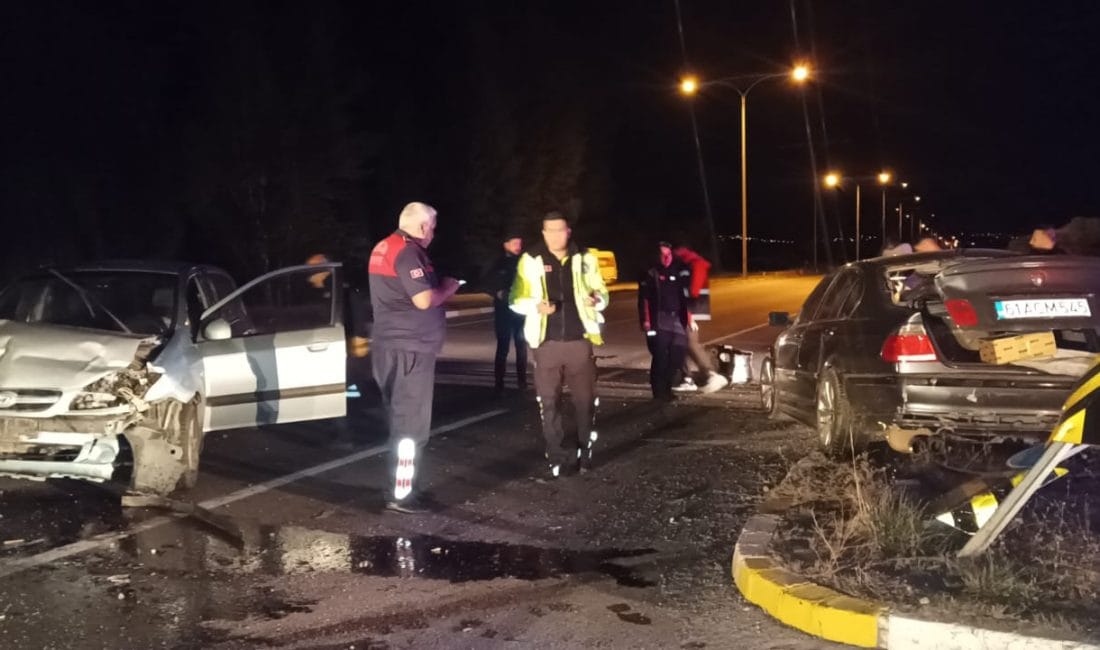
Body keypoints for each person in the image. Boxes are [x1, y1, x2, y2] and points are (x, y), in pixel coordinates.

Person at [368, 201, 461, 514]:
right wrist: (448, 287)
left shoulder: (384, 246)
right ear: (423, 226)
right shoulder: (409, 251)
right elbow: (424, 300)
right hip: (410, 350)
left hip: (389, 347)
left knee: (399, 420)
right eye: (432, 227)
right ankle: (402, 495)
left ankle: (400, 487)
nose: (433, 234)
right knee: (411, 427)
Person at [510, 212, 609, 478]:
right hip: (546, 344)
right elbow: (515, 298)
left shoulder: (585, 257)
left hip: (579, 342)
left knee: (585, 401)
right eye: (549, 231)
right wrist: (535, 306)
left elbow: (602, 291)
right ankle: (556, 454)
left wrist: (596, 299)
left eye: (560, 230)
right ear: (543, 233)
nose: (555, 236)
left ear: (568, 231)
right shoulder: (530, 260)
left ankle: (584, 449)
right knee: (549, 402)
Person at [671, 245, 728, 394]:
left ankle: (709, 374)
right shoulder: (691, 264)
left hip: (692, 310)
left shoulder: (695, 265)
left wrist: (688, 313)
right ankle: (692, 377)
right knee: (683, 343)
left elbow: (693, 291)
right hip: (691, 310)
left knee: (689, 342)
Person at [639, 242, 692, 401]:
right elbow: (644, 299)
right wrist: (646, 321)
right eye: (663, 255)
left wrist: (689, 318)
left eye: (668, 255)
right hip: (659, 320)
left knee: (677, 356)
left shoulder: (676, 272)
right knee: (660, 357)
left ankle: (668, 387)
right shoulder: (651, 273)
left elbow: (684, 297)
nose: (666, 258)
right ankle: (659, 392)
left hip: (676, 319)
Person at [485, 233, 527, 393]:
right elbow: (486, 282)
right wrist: (497, 292)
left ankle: (522, 382)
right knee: (502, 347)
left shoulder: (524, 263)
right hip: (503, 311)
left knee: (521, 346)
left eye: (520, 243)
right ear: (506, 244)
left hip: (520, 311)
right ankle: (499, 382)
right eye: (514, 243)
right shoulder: (498, 263)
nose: (518, 246)